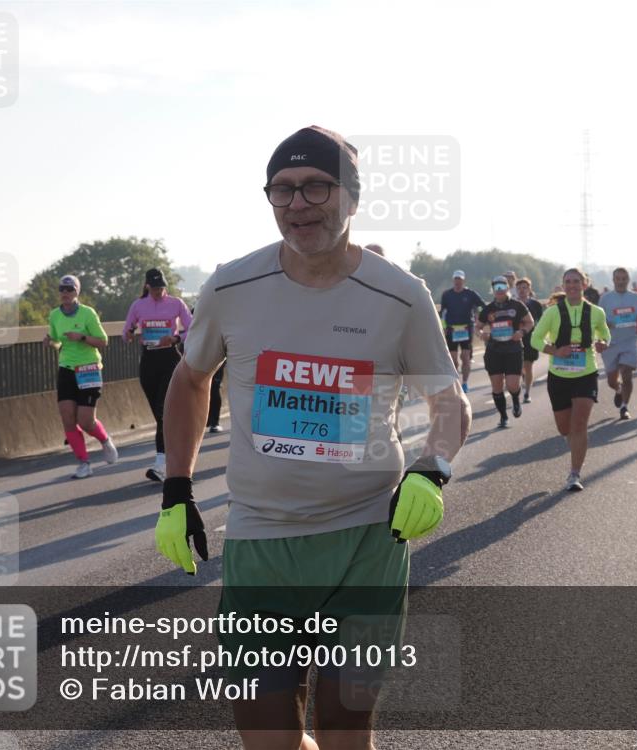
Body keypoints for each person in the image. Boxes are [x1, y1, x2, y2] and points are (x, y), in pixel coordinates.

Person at [155, 125, 470, 750]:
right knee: (269, 737)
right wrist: (176, 488)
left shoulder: (401, 296)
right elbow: (191, 381)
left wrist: (432, 470)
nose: (298, 204)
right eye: (282, 190)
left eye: (316, 187)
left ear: (352, 198)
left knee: (346, 726)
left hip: (366, 539)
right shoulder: (230, 286)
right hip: (262, 540)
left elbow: (449, 402)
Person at [531, 268, 610, 491]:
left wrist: (604, 343)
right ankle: (574, 444)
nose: (572, 285)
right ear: (563, 286)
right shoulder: (552, 313)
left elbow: (605, 334)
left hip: (586, 373)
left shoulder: (596, 312)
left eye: (577, 281)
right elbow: (535, 340)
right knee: (565, 428)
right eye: (568, 282)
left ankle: (574, 474)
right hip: (559, 376)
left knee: (579, 424)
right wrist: (554, 351)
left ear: (584, 284)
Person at [42, 274, 118, 479]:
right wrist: (50, 342)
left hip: (89, 368)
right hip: (66, 368)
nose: (65, 293)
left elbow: (103, 341)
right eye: (62, 289)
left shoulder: (87, 313)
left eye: (70, 289)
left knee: (85, 421)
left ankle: (104, 440)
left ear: (77, 292)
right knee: (67, 417)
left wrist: (82, 337)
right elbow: (58, 342)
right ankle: (83, 463)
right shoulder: (55, 315)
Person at [123, 268, 192, 482]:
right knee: (159, 415)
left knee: (164, 411)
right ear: (147, 287)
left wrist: (175, 339)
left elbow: (192, 329)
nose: (158, 292)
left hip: (170, 358)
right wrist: (131, 333)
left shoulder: (176, 303)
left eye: (161, 287)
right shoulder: (138, 305)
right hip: (149, 360)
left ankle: (161, 464)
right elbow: (125, 334)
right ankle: (175, 454)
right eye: (154, 289)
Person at [478, 276, 533, 428]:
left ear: (508, 288)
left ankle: (515, 398)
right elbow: (477, 326)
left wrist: (522, 332)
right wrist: (482, 334)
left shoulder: (517, 305)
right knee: (496, 386)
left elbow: (530, 322)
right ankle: (503, 417)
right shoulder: (488, 309)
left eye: (502, 286)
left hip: (513, 349)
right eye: (496, 288)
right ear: (493, 291)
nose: (500, 290)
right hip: (494, 350)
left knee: (512, 385)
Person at [599, 268, 637, 420]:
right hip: (611, 343)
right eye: (618, 279)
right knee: (611, 381)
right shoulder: (605, 299)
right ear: (613, 280)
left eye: (624, 279)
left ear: (628, 280)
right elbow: (598, 320)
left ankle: (624, 407)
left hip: (629, 341)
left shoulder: (636, 297)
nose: (621, 281)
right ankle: (618, 389)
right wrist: (606, 324)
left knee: (627, 374)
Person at [439, 270, 486, 393]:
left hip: (466, 328)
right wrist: (443, 327)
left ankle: (465, 383)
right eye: (456, 279)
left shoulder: (470, 294)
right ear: (453, 280)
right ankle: (456, 382)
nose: (457, 281)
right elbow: (442, 312)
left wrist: (480, 318)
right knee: (453, 360)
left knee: (465, 357)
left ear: (463, 280)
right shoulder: (447, 295)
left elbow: (482, 306)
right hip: (451, 329)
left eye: (460, 279)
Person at [515, 277, 543, 404]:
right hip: (515, 339)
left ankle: (527, 393)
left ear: (529, 289)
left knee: (528, 365)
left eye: (524, 288)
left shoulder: (535, 304)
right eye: (519, 288)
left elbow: (541, 322)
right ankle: (523, 378)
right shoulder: (512, 304)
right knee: (519, 367)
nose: (522, 290)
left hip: (531, 339)